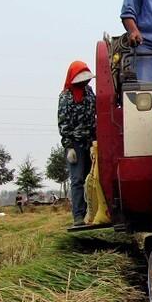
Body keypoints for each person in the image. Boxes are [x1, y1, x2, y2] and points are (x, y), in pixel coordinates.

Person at [58, 60, 96, 226]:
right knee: (77, 179)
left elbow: (96, 112)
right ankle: (78, 216)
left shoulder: (89, 92)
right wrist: (69, 147)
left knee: (92, 179)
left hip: (91, 142)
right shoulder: (65, 97)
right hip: (75, 145)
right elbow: (63, 123)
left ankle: (91, 213)